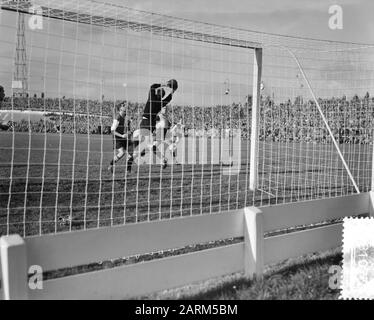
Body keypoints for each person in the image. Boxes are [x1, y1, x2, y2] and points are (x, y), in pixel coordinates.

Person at [130, 79, 178, 171]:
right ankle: (161, 158)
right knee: (146, 143)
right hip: (151, 124)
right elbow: (169, 98)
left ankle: (139, 157)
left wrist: (165, 84)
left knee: (139, 140)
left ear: (157, 93)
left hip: (145, 122)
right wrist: (173, 91)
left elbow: (152, 86)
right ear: (162, 95)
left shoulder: (152, 98)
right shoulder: (160, 103)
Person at [108, 102, 133, 174]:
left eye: (126, 111)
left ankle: (128, 170)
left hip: (123, 137)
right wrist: (122, 135)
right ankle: (111, 165)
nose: (125, 112)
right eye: (124, 111)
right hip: (117, 138)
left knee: (132, 152)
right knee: (122, 153)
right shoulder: (117, 118)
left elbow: (126, 128)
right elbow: (112, 131)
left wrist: (129, 129)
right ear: (120, 110)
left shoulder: (124, 117)